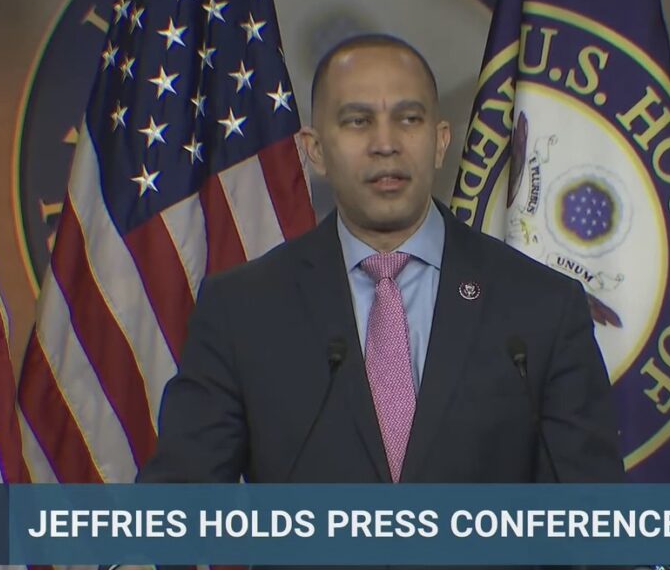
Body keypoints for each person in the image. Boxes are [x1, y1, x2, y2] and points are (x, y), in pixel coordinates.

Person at [137, 34, 624, 487]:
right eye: (357, 121)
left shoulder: (542, 307)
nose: (386, 143)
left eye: (409, 119)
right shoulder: (242, 310)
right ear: (315, 150)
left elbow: (593, 519)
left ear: (440, 142)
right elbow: (175, 506)